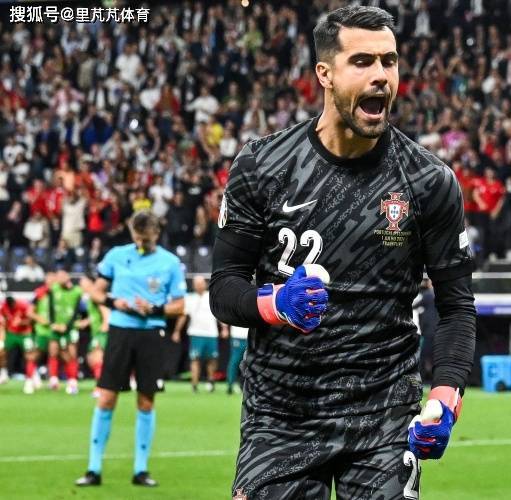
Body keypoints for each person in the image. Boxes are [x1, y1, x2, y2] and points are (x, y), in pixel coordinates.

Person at [209, 6, 476, 499]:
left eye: (389, 61)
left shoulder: (428, 181)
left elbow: (457, 305)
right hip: (281, 414)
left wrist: (446, 395)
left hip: (383, 416)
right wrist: (274, 303)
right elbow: (224, 289)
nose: (381, 76)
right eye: (362, 61)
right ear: (325, 74)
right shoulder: (263, 165)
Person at [75, 210, 186, 488]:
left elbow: (179, 305)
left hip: (151, 333)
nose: (141, 243)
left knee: (146, 400)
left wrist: (154, 308)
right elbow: (96, 291)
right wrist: (114, 302)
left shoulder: (170, 263)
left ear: (156, 234)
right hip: (121, 331)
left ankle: (140, 469)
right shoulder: (116, 255)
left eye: (145, 239)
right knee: (106, 398)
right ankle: (93, 469)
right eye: (137, 238)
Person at [172, 276, 227, 393]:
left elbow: (219, 314)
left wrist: (224, 328)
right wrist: (177, 331)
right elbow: (183, 315)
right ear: (193, 285)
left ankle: (211, 381)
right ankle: (194, 384)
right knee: (195, 359)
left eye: (200, 283)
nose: (198, 286)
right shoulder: (189, 298)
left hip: (211, 333)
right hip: (196, 333)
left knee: (212, 359)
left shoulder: (211, 297)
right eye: (196, 283)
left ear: (205, 284)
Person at [49, 270, 84, 395]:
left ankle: (73, 380)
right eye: (57, 276)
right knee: (53, 350)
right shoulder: (54, 289)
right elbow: (51, 307)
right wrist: (53, 323)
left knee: (71, 353)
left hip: (71, 327)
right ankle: (53, 379)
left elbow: (77, 311)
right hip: (56, 326)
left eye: (61, 276)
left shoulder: (77, 291)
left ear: (67, 277)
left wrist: (67, 326)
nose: (59, 279)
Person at [0, 295, 38, 394]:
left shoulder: (23, 306)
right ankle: (3, 373)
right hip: (11, 334)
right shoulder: (4, 307)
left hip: (25, 334)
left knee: (29, 356)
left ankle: (30, 380)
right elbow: (4, 320)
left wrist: (22, 322)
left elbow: (31, 320)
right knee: (2, 351)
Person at [226, 325, 248, 395]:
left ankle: (246, 385)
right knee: (234, 362)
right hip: (238, 336)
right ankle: (230, 385)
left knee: (249, 362)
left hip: (251, 337)